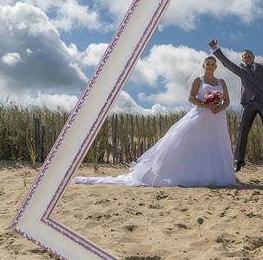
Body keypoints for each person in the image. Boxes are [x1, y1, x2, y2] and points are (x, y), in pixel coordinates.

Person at [73, 56, 237, 187]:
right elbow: (191, 98)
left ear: (216, 67)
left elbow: (227, 100)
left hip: (217, 118)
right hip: (200, 115)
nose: (210, 66)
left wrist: (219, 108)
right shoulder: (198, 81)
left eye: (212, 64)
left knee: (215, 146)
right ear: (203, 66)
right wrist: (206, 106)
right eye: (207, 64)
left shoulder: (221, 82)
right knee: (190, 144)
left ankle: (215, 175)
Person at [209, 39, 263, 175]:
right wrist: (215, 49)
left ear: (253, 57)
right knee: (242, 131)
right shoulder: (241, 70)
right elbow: (227, 64)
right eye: (244, 57)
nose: (247, 58)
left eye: (249, 56)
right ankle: (240, 160)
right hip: (249, 103)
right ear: (242, 59)